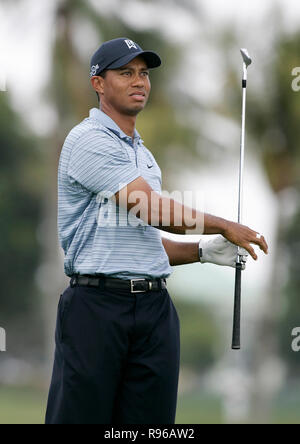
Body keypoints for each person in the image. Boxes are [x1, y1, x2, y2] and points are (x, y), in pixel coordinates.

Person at [45, 38, 268, 425]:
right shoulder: (87, 140)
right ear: (98, 83)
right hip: (96, 310)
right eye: (126, 73)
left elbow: (140, 243)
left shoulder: (142, 154)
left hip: (153, 312)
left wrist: (201, 249)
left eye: (144, 74)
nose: (140, 82)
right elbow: (148, 207)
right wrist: (224, 225)